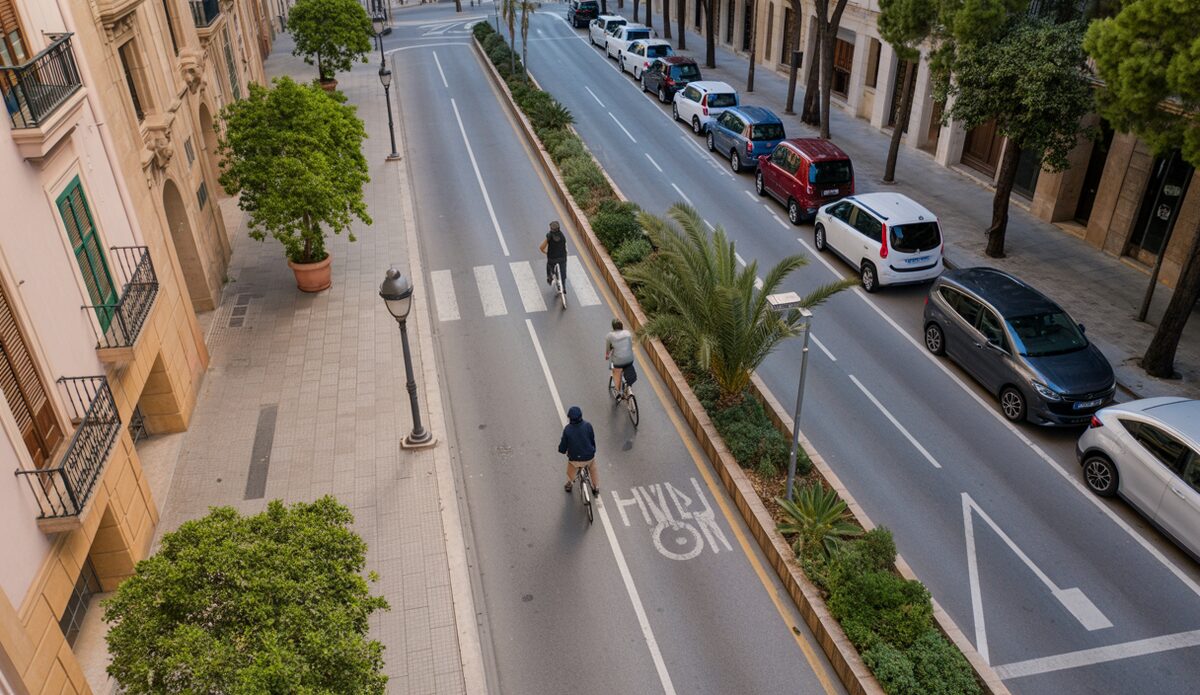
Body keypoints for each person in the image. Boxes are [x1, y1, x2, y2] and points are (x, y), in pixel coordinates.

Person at [559, 406, 598, 494]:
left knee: (570, 470)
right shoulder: (588, 425)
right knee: (593, 468)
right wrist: (593, 450)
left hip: (574, 458)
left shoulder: (567, 429)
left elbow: (563, 446)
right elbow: (592, 439)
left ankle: (569, 483)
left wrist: (562, 450)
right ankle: (595, 487)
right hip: (589, 457)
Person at [605, 318, 635, 400]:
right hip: (630, 358)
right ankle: (628, 387)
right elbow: (631, 344)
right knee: (628, 367)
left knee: (615, 371)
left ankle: (618, 392)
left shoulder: (609, 336)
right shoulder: (627, 333)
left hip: (618, 361)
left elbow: (608, 349)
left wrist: (607, 356)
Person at [539, 221, 568, 289]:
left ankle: (550, 278)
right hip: (562, 258)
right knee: (563, 271)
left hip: (552, 259)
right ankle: (563, 286)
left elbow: (541, 247)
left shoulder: (549, 236)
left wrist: (546, 252)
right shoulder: (562, 236)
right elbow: (565, 248)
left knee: (549, 266)